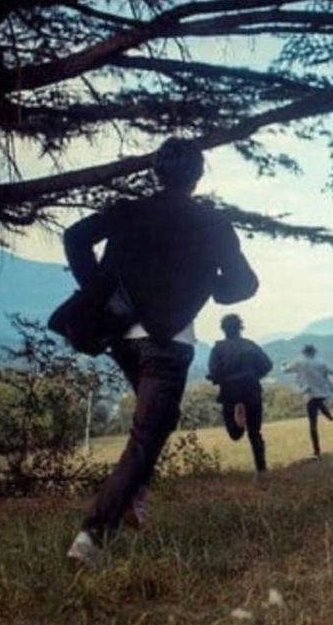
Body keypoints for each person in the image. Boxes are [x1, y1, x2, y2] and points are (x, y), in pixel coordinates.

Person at [64, 137, 259, 565]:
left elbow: (75, 237)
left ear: (157, 172)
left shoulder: (129, 211)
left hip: (121, 337)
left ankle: (132, 497)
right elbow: (245, 284)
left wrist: (98, 290)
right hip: (169, 343)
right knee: (147, 436)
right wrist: (209, 287)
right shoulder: (213, 223)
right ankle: (92, 536)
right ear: (199, 176)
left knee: (149, 427)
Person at [207, 314, 272, 480]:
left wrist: (215, 378)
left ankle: (238, 417)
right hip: (252, 389)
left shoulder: (218, 348)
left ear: (223, 329)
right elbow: (268, 364)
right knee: (255, 433)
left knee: (235, 434)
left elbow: (214, 370)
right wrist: (254, 375)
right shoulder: (250, 345)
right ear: (240, 328)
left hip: (230, 392)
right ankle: (262, 469)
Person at [283, 345, 333, 459]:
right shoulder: (320, 362)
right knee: (318, 403)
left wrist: (283, 364)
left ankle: (316, 451)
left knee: (313, 424)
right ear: (314, 352)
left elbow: (285, 370)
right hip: (322, 392)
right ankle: (327, 413)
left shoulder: (299, 362)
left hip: (309, 393)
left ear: (303, 352)